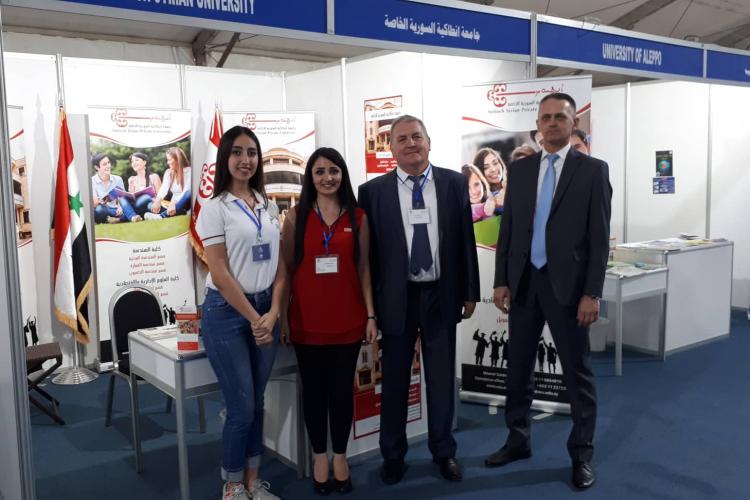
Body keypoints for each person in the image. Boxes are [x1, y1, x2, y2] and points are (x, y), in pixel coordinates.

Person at [487, 93, 612, 490]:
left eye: (561, 116)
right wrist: (501, 279)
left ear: (574, 123)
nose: (553, 123)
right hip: (525, 282)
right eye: (546, 117)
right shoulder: (521, 170)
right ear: (538, 125)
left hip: (570, 289)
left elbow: (599, 239)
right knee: (518, 369)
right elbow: (509, 229)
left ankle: (581, 454)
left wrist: (592, 293)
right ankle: (517, 440)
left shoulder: (593, 171)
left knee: (577, 374)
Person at [358, 115, 479, 485]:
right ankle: (393, 456)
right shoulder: (372, 192)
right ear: (391, 149)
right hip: (397, 298)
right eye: (402, 139)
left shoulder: (454, 183)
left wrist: (470, 290)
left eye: (416, 137)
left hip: (441, 294)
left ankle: (444, 452)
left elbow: (465, 241)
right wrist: (370, 308)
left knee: (441, 380)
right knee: (394, 381)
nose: (410, 144)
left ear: (429, 142)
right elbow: (368, 258)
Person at [278, 147, 378, 495]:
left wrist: (370, 315)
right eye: (319, 171)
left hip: (348, 320)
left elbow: (364, 269)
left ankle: (340, 457)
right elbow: (286, 270)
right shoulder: (296, 217)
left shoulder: (359, 217)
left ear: (342, 175)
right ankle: (319, 456)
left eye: (333, 170)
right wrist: (283, 317)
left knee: (341, 393)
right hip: (306, 321)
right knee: (314, 393)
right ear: (310, 177)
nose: (327, 177)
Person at [195, 125, 283, 500]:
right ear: (225, 158)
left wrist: (274, 311)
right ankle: (231, 485)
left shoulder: (268, 205)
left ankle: (252, 481)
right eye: (237, 152)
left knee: (257, 402)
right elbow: (219, 272)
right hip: (227, 313)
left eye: (251, 152)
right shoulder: (214, 209)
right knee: (241, 406)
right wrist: (255, 319)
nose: (245, 160)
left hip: (266, 310)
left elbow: (281, 265)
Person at [90, 153, 141, 223]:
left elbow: (123, 197)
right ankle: (120, 219)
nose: (108, 166)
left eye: (108, 163)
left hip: (117, 210)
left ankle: (132, 217)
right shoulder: (92, 181)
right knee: (99, 210)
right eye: (104, 164)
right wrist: (100, 201)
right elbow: (94, 204)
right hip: (105, 209)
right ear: (97, 167)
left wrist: (120, 207)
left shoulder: (118, 179)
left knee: (126, 204)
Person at [145, 146, 193, 220]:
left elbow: (186, 190)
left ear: (177, 159)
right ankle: (173, 213)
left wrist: (174, 202)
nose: (168, 162)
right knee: (150, 204)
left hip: (184, 204)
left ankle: (162, 216)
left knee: (189, 192)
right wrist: (158, 200)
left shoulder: (189, 171)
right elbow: (164, 188)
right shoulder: (168, 173)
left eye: (169, 160)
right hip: (172, 206)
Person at [127, 152, 162, 217]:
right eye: (132, 161)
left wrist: (156, 202)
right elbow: (131, 198)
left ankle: (152, 215)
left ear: (144, 162)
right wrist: (131, 185)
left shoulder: (154, 177)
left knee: (149, 205)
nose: (134, 163)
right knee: (146, 197)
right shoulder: (132, 179)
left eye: (137, 160)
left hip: (152, 205)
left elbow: (160, 195)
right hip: (137, 206)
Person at [473, 148, 506, 214]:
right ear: (479, 172)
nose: (493, 169)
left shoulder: (512, 184)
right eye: (486, 167)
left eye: (495, 163)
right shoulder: (480, 199)